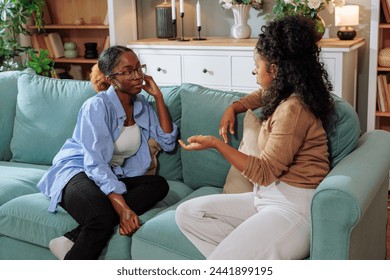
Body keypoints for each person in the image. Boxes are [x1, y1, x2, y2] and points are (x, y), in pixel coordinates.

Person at [175, 15, 334, 260]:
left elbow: (264, 172)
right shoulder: (287, 92)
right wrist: (234, 107)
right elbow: (261, 95)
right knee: (188, 213)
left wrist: (216, 144)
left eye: (256, 66)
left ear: (274, 70)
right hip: (266, 199)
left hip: (292, 209)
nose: (253, 71)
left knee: (221, 261)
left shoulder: (293, 109)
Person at [37, 45, 178, 260]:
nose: (138, 75)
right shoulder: (96, 107)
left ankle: (70, 239)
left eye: (139, 68)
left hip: (111, 174)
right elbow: (95, 163)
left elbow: (168, 143)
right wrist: (122, 208)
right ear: (112, 79)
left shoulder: (142, 106)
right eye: (128, 71)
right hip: (78, 171)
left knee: (158, 185)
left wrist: (158, 97)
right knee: (101, 217)